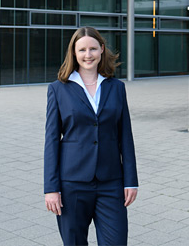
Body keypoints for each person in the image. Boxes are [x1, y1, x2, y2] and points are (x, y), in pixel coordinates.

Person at [44, 27, 138, 244]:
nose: (88, 55)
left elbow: (125, 136)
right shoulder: (58, 89)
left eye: (93, 49)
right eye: (82, 50)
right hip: (72, 184)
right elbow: (51, 141)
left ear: (102, 50)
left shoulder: (116, 87)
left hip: (111, 182)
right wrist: (51, 188)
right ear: (74, 53)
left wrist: (130, 181)